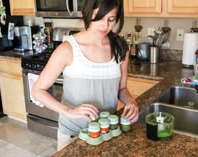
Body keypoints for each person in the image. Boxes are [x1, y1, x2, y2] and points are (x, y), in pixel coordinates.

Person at [32, 0, 139, 151]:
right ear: (88, 14)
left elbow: (121, 89)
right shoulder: (67, 48)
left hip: (106, 132)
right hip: (73, 134)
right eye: (98, 17)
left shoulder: (120, 48)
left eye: (111, 19)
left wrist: (131, 102)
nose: (104, 25)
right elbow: (37, 91)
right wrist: (68, 111)